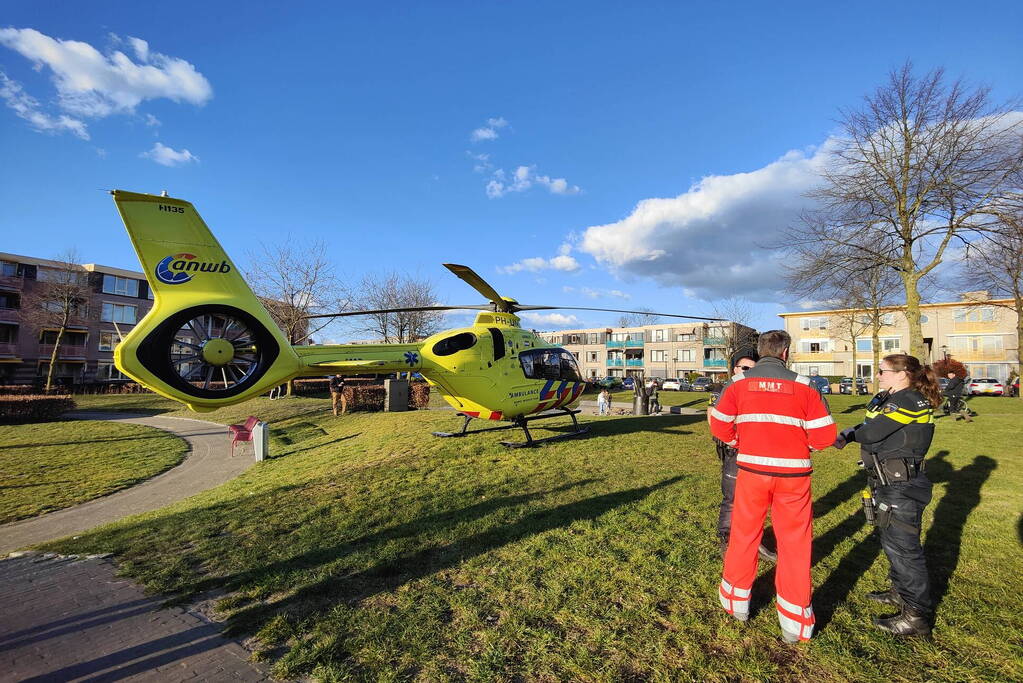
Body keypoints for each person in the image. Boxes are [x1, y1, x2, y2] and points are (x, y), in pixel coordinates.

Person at [709, 330, 836, 643]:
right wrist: (800, 444)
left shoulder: (739, 384)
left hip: (751, 472)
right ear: (786, 353)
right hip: (793, 478)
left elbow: (719, 423)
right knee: (795, 545)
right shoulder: (805, 386)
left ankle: (736, 604)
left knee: (744, 535)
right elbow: (824, 437)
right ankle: (794, 623)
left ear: (760, 351)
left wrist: (741, 441)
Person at [834, 354, 940, 637]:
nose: (878, 375)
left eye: (883, 371)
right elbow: (867, 425)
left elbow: (873, 432)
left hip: (901, 484)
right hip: (888, 480)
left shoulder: (907, 400)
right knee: (893, 542)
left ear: (903, 373)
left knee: (905, 549)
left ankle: (916, 616)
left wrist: (852, 434)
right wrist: (850, 431)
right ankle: (900, 592)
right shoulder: (890, 396)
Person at [707, 348, 777, 563]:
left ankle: (754, 541)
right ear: (735, 369)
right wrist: (735, 439)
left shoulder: (757, 389)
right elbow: (713, 418)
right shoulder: (725, 389)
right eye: (744, 368)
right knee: (732, 498)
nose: (747, 372)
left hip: (757, 451)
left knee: (756, 500)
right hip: (734, 450)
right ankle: (727, 540)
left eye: (752, 369)